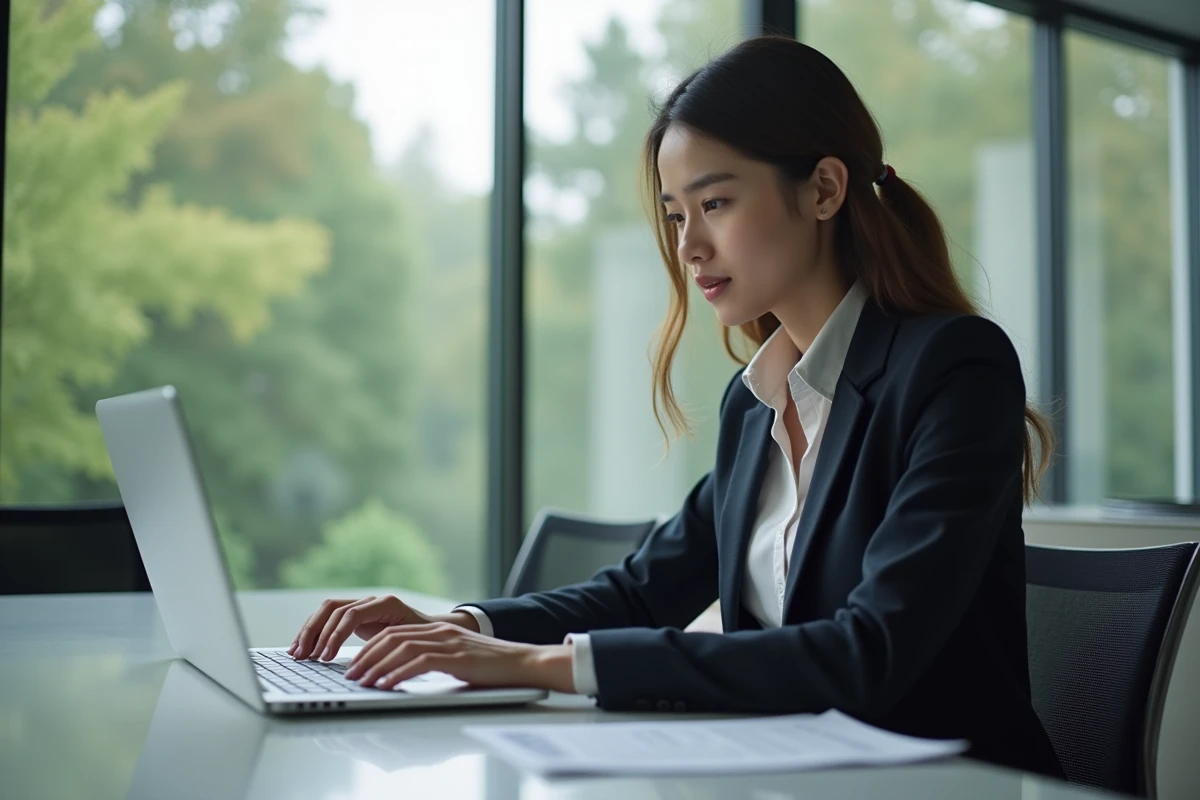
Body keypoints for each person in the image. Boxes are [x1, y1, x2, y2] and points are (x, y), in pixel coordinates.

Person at [289, 35, 1063, 778]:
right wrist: (461, 626)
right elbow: (643, 590)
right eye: (675, 215)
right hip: (796, 775)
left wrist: (534, 665)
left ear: (824, 189)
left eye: (715, 202)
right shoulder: (756, 404)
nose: (689, 245)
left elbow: (869, 651)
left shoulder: (953, 368)